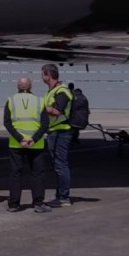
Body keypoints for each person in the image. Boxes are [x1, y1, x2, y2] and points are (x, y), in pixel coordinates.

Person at [4, 76, 50, 213]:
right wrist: (33, 139)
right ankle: (38, 203)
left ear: (17, 86)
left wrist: (20, 138)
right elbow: (45, 124)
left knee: (16, 174)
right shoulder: (39, 101)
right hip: (36, 145)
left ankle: (13, 204)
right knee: (37, 174)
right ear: (31, 87)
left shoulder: (11, 101)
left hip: (16, 144)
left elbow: (7, 123)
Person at [41, 63, 73, 207]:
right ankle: (60, 195)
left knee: (61, 165)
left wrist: (40, 107)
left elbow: (57, 111)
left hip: (61, 131)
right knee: (58, 165)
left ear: (48, 75)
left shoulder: (62, 91)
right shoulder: (53, 90)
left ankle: (64, 198)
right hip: (54, 130)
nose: (42, 77)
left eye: (43, 74)